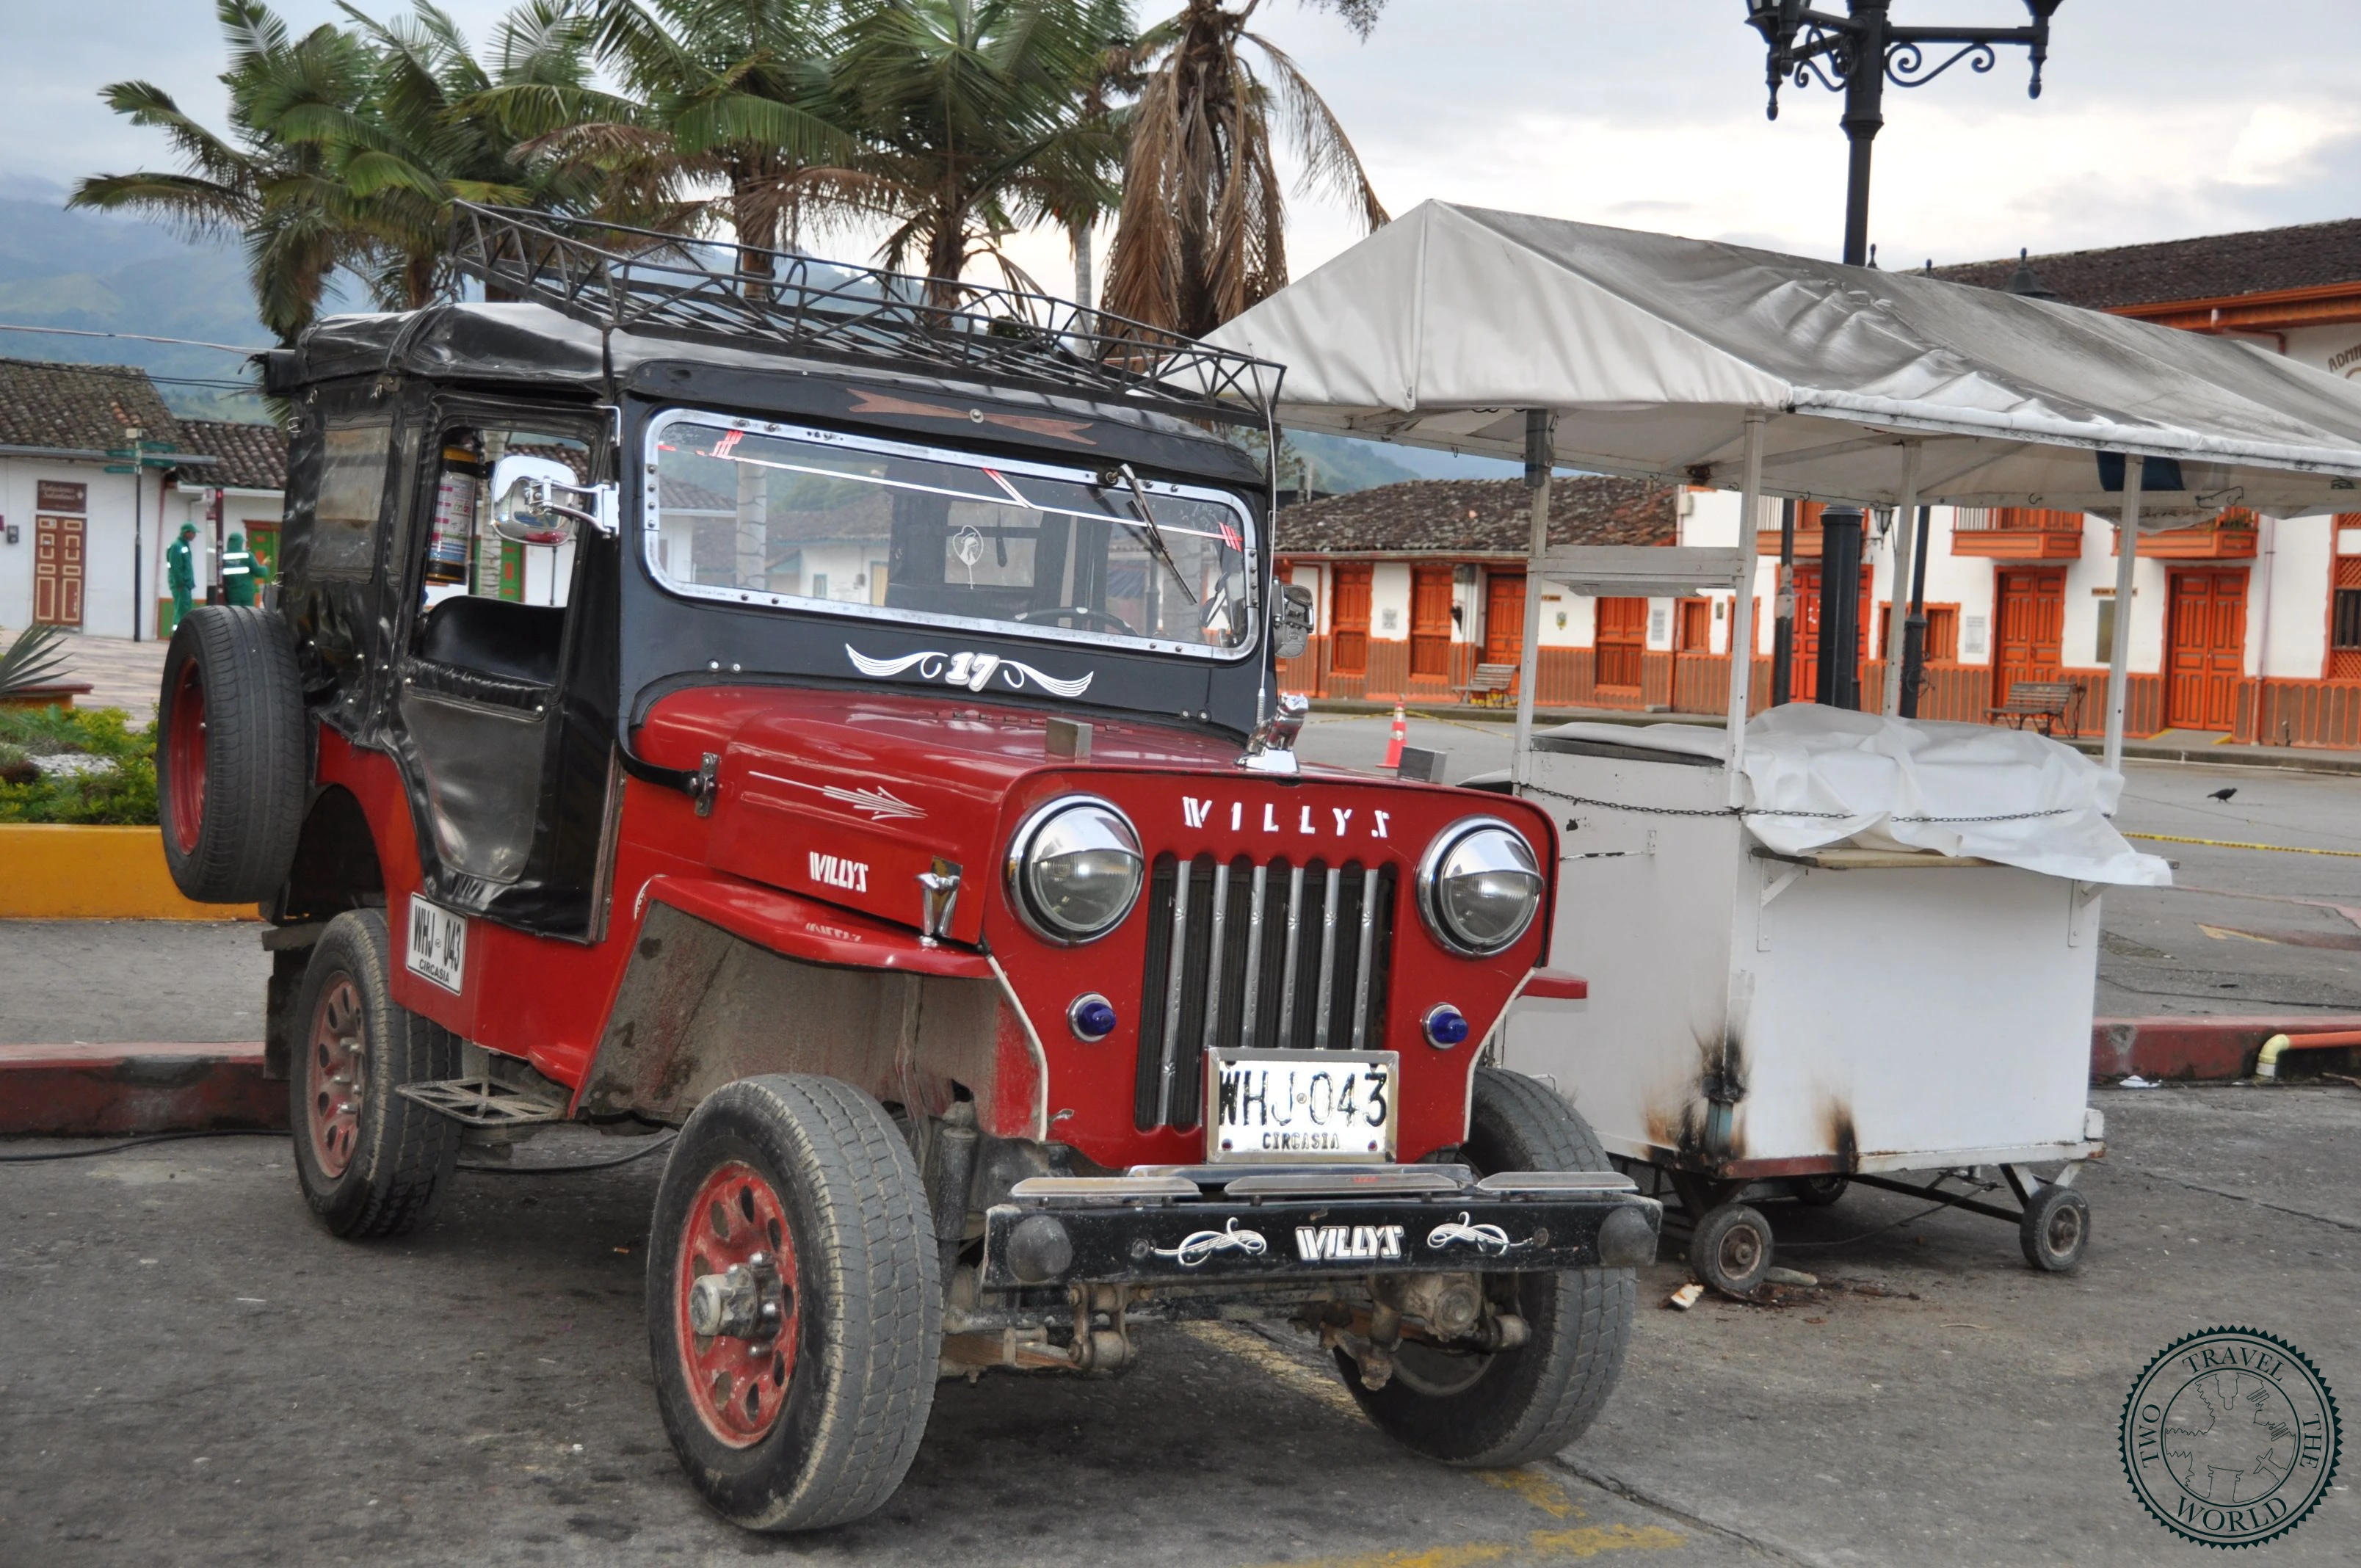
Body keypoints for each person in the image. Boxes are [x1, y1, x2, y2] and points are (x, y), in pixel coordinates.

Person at [165, 523, 197, 628]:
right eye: (193, 533)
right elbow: (176, 567)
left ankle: (180, 634)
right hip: (181, 585)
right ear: (187, 533)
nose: (195, 535)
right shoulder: (177, 546)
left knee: (184, 610)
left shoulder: (184, 546)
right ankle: (178, 635)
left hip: (185, 584)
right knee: (181, 611)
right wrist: (180, 583)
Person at [222, 531, 266, 607]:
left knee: (233, 615)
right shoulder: (247, 555)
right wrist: (265, 567)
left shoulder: (223, 556)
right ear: (240, 543)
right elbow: (259, 572)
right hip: (247, 593)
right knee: (248, 614)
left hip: (232, 594)